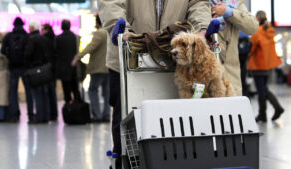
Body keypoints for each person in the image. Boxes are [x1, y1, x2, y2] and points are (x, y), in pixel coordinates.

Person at [98, 0, 211, 168]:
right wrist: (123, 30)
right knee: (126, 119)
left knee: (175, 119)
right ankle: (126, 162)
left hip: (174, 56)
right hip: (128, 54)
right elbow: (111, 4)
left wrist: (201, 28)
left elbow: (198, 3)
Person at [211, 0, 259, 96]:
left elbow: (253, 26)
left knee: (232, 109)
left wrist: (229, 12)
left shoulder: (235, 3)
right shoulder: (200, 3)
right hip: (208, 75)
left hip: (231, 76)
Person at [71, 14, 110, 122]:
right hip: (109, 67)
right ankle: (106, 115)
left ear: (97, 22)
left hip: (98, 68)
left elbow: (91, 47)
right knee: (106, 93)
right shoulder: (109, 32)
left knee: (92, 90)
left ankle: (97, 115)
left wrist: (77, 57)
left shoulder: (100, 33)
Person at [247, 10, 284, 122]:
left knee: (261, 90)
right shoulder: (270, 31)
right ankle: (274, 109)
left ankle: (266, 113)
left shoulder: (257, 32)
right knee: (264, 89)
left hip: (258, 65)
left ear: (258, 18)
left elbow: (251, 48)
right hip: (268, 65)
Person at [1, 17, 34, 122]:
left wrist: (10, 56)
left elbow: (3, 50)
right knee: (29, 92)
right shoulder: (27, 36)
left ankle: (14, 115)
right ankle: (30, 114)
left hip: (13, 67)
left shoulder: (8, 36)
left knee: (13, 92)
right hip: (25, 68)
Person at [24, 21, 50, 123]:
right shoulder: (44, 38)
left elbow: (27, 55)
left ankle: (39, 116)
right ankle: (45, 116)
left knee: (37, 94)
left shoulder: (31, 39)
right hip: (45, 69)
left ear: (32, 28)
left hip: (34, 70)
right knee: (44, 93)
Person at [55, 19, 81, 103]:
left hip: (63, 68)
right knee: (75, 89)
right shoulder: (75, 37)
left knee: (66, 91)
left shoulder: (58, 38)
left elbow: (56, 52)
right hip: (74, 68)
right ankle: (77, 108)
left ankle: (68, 109)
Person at [42, 24, 58, 121]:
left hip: (46, 68)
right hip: (54, 69)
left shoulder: (44, 39)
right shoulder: (55, 38)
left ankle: (47, 113)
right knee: (53, 92)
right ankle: (54, 114)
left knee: (46, 92)